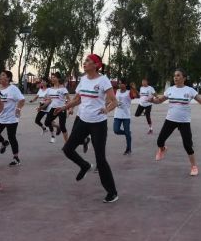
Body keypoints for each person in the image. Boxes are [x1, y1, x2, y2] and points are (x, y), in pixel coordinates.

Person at [55, 54, 118, 203]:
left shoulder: (103, 80)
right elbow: (77, 99)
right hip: (83, 121)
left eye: (88, 61)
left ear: (96, 65)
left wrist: (106, 110)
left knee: (100, 159)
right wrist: (64, 107)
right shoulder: (83, 80)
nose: (85, 63)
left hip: (98, 123)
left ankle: (112, 192)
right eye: (85, 61)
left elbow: (114, 101)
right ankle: (84, 166)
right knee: (67, 149)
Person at [149, 69, 201, 176]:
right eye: (174, 76)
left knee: (188, 145)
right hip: (170, 120)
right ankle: (163, 149)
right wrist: (152, 100)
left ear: (184, 78)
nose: (175, 78)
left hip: (184, 121)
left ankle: (194, 167)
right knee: (160, 141)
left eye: (178, 76)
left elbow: (199, 99)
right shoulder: (170, 90)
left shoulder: (190, 90)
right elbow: (159, 100)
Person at [0, 70, 25, 166]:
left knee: (12, 137)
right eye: (0, 75)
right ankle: (4, 142)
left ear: (8, 78)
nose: (0, 77)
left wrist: (18, 108)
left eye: (3, 75)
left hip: (11, 118)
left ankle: (16, 158)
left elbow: (22, 100)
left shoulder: (13, 89)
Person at [43, 72, 71, 143]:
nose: (52, 78)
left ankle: (67, 144)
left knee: (63, 127)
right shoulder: (50, 89)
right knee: (46, 122)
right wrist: (42, 107)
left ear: (58, 78)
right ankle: (57, 126)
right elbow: (49, 100)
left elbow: (68, 99)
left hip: (61, 109)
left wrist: (69, 108)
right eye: (51, 77)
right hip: (53, 109)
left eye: (54, 77)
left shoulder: (63, 88)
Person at [113, 79, 135, 155]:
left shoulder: (129, 92)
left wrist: (133, 88)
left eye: (121, 84)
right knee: (116, 130)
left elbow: (136, 96)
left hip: (126, 115)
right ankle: (127, 133)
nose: (120, 85)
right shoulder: (116, 91)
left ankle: (128, 149)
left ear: (125, 84)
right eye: (119, 84)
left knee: (127, 132)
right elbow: (111, 98)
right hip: (117, 115)